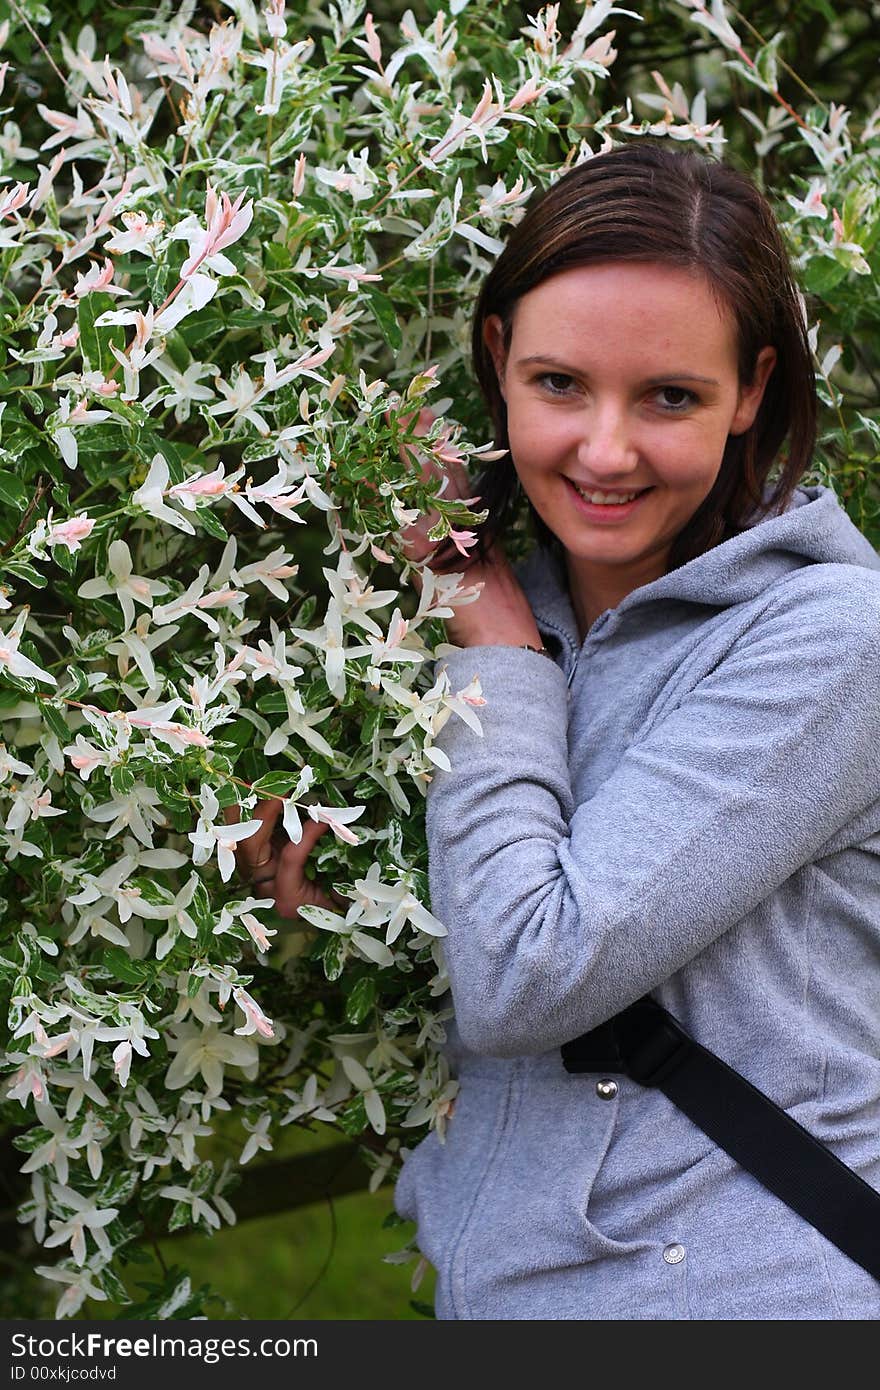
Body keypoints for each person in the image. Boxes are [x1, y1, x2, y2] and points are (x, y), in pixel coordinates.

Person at [235, 142, 880, 1320]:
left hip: (755, 1289)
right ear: (497, 361)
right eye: (559, 384)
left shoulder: (836, 639)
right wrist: (323, 891)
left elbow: (533, 972)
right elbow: (485, 926)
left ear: (752, 390)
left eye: (670, 396)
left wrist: (484, 632)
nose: (604, 450)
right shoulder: (461, 615)